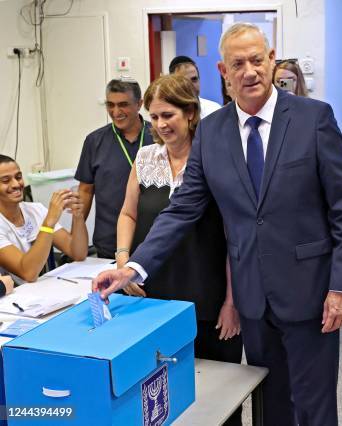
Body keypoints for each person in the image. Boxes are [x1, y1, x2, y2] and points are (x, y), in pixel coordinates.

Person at [93, 22, 342, 426]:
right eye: (238, 63)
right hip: (254, 297)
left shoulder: (314, 118)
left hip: (310, 292)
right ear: (224, 71)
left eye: (257, 60)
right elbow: (183, 207)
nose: (249, 71)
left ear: (271, 61)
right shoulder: (213, 133)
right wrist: (132, 266)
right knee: (270, 403)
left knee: (313, 402)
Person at [116, 74, 242, 425]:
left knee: (222, 398)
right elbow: (128, 213)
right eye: (154, 116)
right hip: (154, 298)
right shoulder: (145, 158)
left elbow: (236, 238)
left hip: (211, 298)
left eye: (168, 114)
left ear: (190, 113)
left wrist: (233, 303)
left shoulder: (218, 160)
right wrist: (124, 259)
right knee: (164, 396)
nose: (160, 124)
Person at [75, 78, 153, 259]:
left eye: (123, 105)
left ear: (139, 104)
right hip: (110, 243)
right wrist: (75, 236)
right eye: (110, 105)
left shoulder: (157, 137)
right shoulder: (94, 141)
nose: (116, 112)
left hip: (152, 240)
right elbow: (85, 191)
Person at [0, 155, 88, 283]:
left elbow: (78, 253)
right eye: (6, 180)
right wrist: (49, 221)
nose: (16, 184)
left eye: (18, 177)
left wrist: (77, 215)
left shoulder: (36, 210)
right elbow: (28, 273)